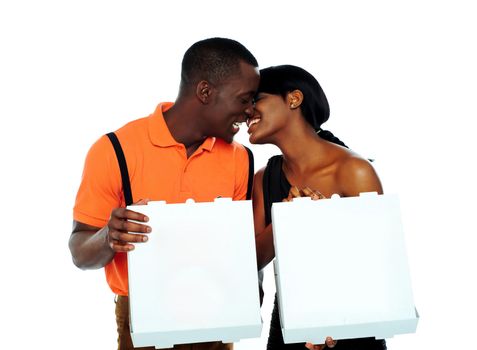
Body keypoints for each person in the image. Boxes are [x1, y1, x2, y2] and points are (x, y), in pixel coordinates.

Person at [69, 37, 260, 350]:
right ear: (205, 92)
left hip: (217, 314)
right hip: (142, 319)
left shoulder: (241, 158)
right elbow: (79, 252)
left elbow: (239, 252)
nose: (250, 111)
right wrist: (108, 236)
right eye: (244, 99)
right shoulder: (114, 150)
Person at [248, 65, 387, 350]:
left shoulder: (353, 170)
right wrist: (287, 219)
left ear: (294, 99)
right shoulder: (264, 177)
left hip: (352, 322)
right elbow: (252, 260)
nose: (247, 111)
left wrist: (335, 318)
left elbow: (380, 261)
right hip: (288, 323)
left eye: (256, 99)